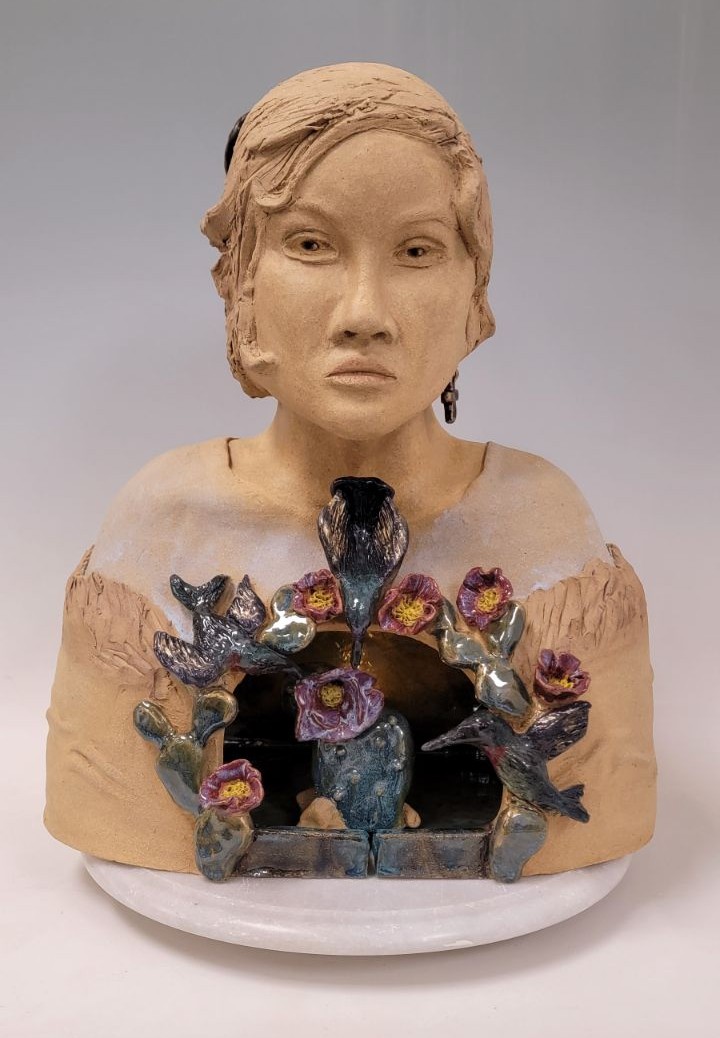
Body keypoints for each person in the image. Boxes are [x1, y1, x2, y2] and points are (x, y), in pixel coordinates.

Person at [45, 63, 655, 877]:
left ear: (474, 295)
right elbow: (105, 799)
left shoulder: (543, 523)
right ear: (241, 282)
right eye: (311, 244)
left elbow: (604, 794)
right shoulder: (163, 521)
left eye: (417, 250)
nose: (365, 314)